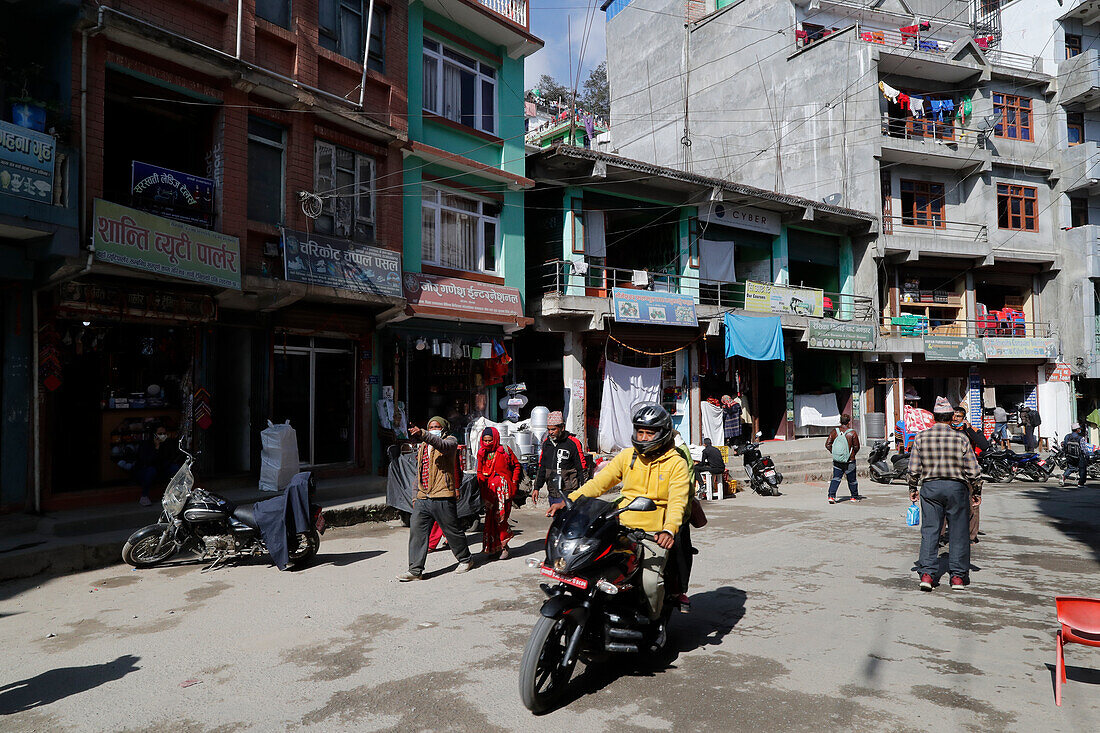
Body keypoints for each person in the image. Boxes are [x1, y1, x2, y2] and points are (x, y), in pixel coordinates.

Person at [548, 403, 691, 621]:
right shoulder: (628, 456)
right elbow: (599, 484)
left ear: (662, 434)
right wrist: (569, 500)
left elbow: (677, 501)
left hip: (653, 533)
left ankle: (654, 624)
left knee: (651, 583)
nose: (643, 438)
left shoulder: (676, 464)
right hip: (620, 523)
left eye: (649, 433)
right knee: (588, 564)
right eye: (640, 432)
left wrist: (669, 530)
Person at [907, 397, 982, 591]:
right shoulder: (961, 438)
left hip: (931, 488)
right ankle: (957, 577)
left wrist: (913, 488)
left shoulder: (921, 437)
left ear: (933, 417)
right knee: (958, 532)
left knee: (930, 531)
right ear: (951, 418)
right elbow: (973, 470)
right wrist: (977, 491)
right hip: (957, 488)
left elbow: (913, 469)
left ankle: (927, 575)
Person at [396, 417, 473, 581]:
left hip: (443, 495)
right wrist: (415, 495)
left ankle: (465, 559)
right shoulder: (424, 446)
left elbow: (442, 445)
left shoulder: (450, 442)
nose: (433, 429)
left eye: (437, 427)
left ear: (444, 428)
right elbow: (419, 472)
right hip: (423, 497)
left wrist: (423, 433)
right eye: (430, 427)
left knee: (452, 532)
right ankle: (415, 570)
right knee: (417, 533)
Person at [476, 427, 521, 559]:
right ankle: (493, 548)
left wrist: (513, 482)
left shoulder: (504, 451)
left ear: (495, 439)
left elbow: (516, 466)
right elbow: (479, 472)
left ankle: (504, 547)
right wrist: (482, 485)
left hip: (505, 493)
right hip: (490, 493)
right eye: (485, 440)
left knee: (501, 520)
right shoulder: (481, 453)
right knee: (490, 522)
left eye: (490, 440)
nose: (488, 443)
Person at [532, 411, 588, 511]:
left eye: (553, 429)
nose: (550, 432)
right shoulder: (546, 444)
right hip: (553, 492)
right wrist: (537, 487)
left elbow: (582, 468)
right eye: (548, 429)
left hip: (569, 492)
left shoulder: (573, 443)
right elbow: (542, 467)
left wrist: (585, 491)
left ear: (562, 427)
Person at [949, 404, 988, 543]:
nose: (955, 419)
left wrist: (969, 428)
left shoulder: (972, 430)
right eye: (953, 416)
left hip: (969, 472)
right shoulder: (947, 430)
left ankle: (972, 535)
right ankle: (944, 535)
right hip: (951, 471)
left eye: (958, 416)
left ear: (964, 418)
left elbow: (984, 445)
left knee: (973, 504)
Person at [131, 423, 182, 506]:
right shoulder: (146, 445)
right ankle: (144, 496)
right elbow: (146, 461)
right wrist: (156, 448)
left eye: (164, 433)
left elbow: (169, 458)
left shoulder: (167, 444)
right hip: (147, 471)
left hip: (162, 469)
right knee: (151, 471)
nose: (163, 436)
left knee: (175, 468)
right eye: (160, 434)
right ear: (154, 434)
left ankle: (175, 495)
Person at [825, 414, 864, 504]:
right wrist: (851, 454)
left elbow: (827, 444)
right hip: (850, 461)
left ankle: (831, 496)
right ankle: (854, 497)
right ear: (849, 422)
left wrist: (835, 453)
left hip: (837, 460)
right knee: (852, 480)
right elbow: (856, 447)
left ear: (840, 421)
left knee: (836, 478)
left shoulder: (835, 431)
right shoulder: (852, 433)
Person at [1061, 422, 1089, 488]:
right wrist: (1087, 457)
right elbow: (1083, 449)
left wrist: (1066, 454)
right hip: (1079, 457)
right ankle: (1080, 483)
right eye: (1079, 429)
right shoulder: (1080, 438)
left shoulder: (1067, 436)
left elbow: (1064, 446)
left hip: (1069, 456)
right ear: (1077, 430)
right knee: (1082, 469)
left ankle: (1063, 477)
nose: (1080, 430)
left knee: (1071, 468)